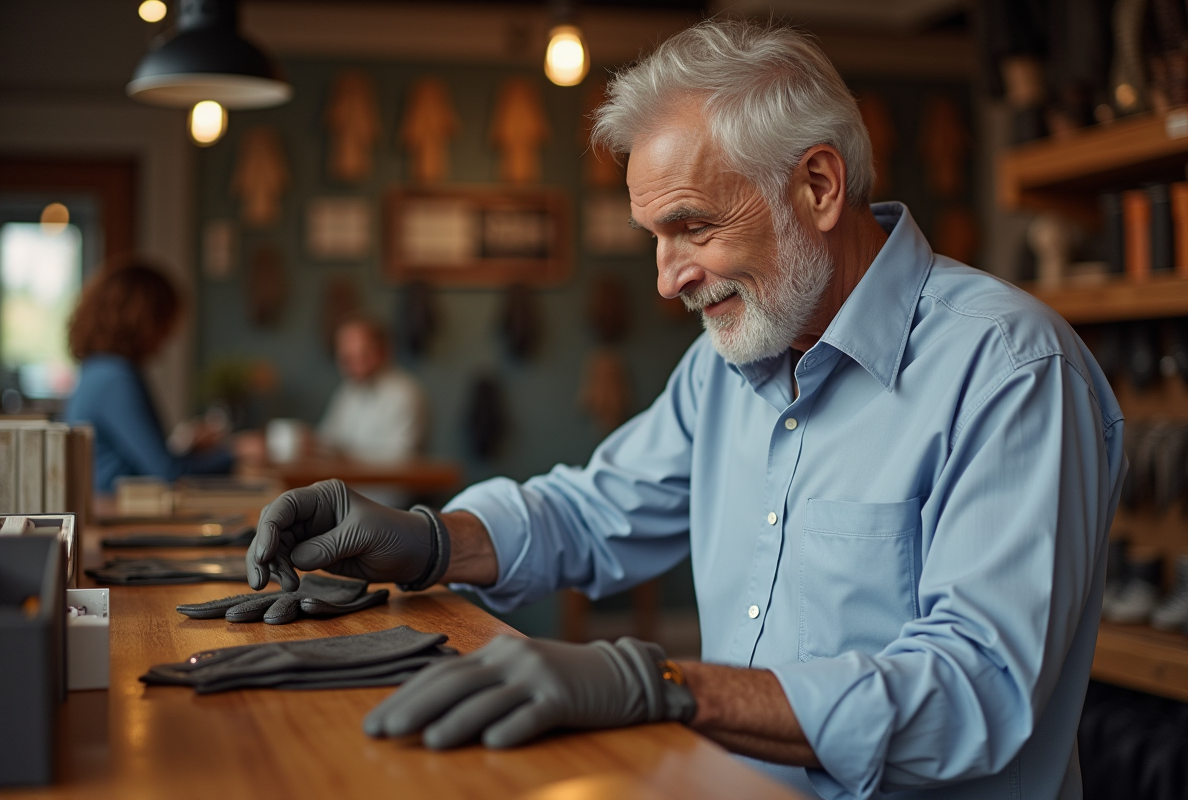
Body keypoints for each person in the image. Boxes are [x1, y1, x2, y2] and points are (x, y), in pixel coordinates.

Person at [247, 21, 1125, 799]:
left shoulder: (1010, 368)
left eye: (694, 227)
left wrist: (666, 685)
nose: (668, 279)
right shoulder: (725, 366)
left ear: (818, 186)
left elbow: (976, 694)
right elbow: (597, 510)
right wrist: (431, 540)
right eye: (656, 240)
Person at [65, 260, 253, 492]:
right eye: (166, 321)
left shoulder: (97, 369)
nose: (169, 334)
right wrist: (236, 453)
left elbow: (141, 462)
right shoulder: (116, 378)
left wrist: (190, 449)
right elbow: (168, 473)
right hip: (119, 514)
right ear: (144, 318)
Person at [315, 316, 426, 464]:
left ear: (383, 350)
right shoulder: (348, 391)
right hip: (345, 483)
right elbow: (326, 439)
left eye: (362, 353)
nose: (352, 364)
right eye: (346, 357)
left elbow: (401, 458)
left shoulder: (406, 394)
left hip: (386, 486)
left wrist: (343, 455)